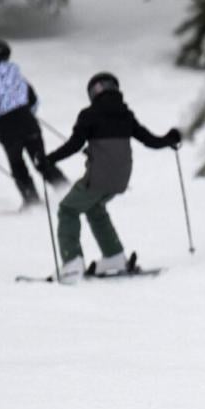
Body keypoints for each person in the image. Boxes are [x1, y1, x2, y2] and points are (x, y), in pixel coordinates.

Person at [38, 72, 180, 282]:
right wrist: (169, 139)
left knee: (68, 209)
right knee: (95, 208)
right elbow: (150, 140)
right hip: (120, 179)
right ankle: (114, 256)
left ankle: (72, 263)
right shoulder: (125, 115)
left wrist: (49, 159)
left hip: (98, 177)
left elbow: (75, 144)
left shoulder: (89, 114)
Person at [0, 39, 66, 207]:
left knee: (18, 168)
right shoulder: (18, 77)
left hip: (9, 134)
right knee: (41, 162)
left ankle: (31, 201)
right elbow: (33, 101)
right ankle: (67, 191)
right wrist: (25, 113)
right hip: (30, 127)